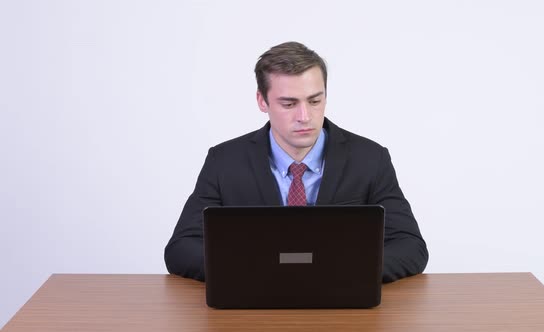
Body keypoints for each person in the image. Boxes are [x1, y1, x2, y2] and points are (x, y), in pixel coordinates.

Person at [165, 41, 428, 282]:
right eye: (289, 104)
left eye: (315, 100)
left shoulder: (370, 158)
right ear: (262, 101)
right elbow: (181, 248)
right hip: (254, 303)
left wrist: (347, 269)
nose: (305, 116)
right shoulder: (224, 161)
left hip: (342, 302)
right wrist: (249, 268)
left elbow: (410, 245)